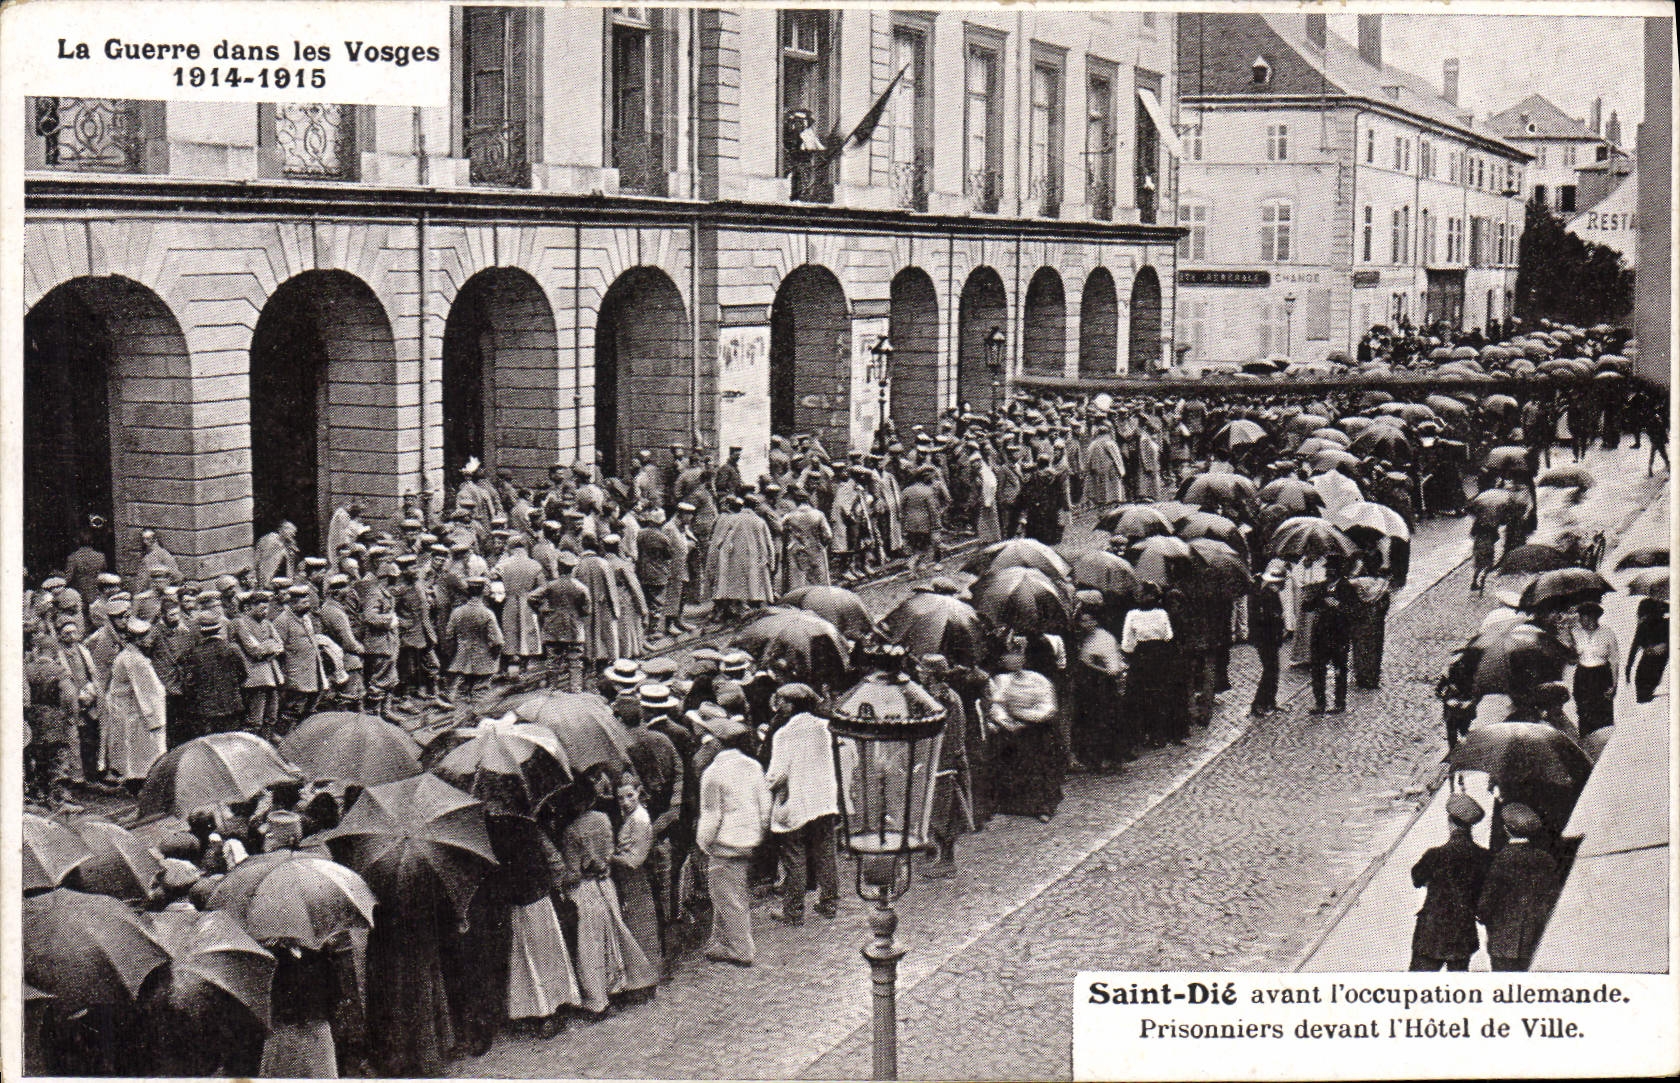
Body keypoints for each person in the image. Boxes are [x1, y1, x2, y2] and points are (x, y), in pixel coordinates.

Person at [556, 770, 658, 1013]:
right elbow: (610, 849)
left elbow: (573, 871)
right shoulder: (603, 819)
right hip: (606, 883)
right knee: (613, 935)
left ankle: (597, 1000)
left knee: (590, 944)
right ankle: (620, 985)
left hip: (586, 888)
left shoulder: (571, 831)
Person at [695, 713, 771, 965]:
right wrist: (759, 833)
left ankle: (740, 949)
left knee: (728, 897)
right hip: (750, 840)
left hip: (725, 843)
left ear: (717, 743)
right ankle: (719, 941)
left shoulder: (713, 773)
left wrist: (702, 843)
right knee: (729, 891)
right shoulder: (753, 766)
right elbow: (764, 806)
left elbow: (711, 815)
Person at [763, 683, 839, 925]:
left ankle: (793, 911)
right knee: (825, 852)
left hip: (797, 802)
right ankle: (829, 902)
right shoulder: (823, 728)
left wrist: (764, 788)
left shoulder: (784, 734)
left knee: (794, 855)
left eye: (783, 701)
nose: (780, 705)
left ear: (792, 704)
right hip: (824, 799)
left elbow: (777, 775)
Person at [1408, 792, 1491, 971]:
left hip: (1431, 933)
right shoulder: (1484, 857)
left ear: (1450, 822)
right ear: (1471, 827)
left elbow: (1417, 878)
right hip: (1463, 933)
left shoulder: (1435, 855)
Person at [1476, 803, 1563, 972]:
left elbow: (1488, 900)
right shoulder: (1545, 859)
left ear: (1506, 829)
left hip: (1503, 941)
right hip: (1535, 939)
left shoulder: (1502, 859)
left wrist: (1482, 914)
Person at [984, 649, 1063, 821]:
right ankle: (1009, 804)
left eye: (1017, 657)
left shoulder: (1038, 679)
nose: (1013, 661)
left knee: (1039, 759)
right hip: (1011, 728)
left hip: (1037, 728)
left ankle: (1043, 806)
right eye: (1008, 657)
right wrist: (1007, 723)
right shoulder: (1001, 680)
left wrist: (1027, 718)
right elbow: (997, 706)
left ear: (1024, 659)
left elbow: (1048, 706)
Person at [102, 617, 168, 792]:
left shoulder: (129, 656)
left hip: (130, 709)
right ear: (138, 639)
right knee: (143, 750)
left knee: (132, 750)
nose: (150, 640)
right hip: (136, 711)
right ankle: (140, 783)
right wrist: (156, 720)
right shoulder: (135, 660)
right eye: (146, 637)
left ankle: (136, 780)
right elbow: (148, 692)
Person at [611, 770, 665, 981]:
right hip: (628, 880)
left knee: (641, 924)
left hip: (637, 878)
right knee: (635, 924)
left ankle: (647, 977)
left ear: (638, 793)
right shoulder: (630, 816)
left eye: (629, 796)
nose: (625, 802)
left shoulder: (640, 820)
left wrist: (609, 856)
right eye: (620, 797)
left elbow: (634, 860)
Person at [1121, 583, 1178, 746]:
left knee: (1140, 695)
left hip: (1141, 656)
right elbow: (1168, 635)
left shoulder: (1132, 615)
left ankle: (1141, 734)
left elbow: (1127, 643)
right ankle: (1158, 734)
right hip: (1160, 655)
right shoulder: (1161, 613)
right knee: (1160, 693)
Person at [178, 609, 248, 738]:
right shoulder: (232, 649)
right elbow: (243, 675)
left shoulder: (194, 654)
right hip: (232, 705)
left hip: (205, 709)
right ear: (219, 629)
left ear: (201, 631)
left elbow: (189, 683)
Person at [1304, 555, 1357, 715]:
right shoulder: (1321, 587)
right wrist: (1310, 597)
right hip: (1320, 635)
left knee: (1340, 669)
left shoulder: (1347, 588)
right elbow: (1307, 607)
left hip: (1339, 635)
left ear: (1339, 571)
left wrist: (1339, 606)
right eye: (1327, 568)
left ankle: (1339, 703)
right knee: (1318, 670)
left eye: (1332, 569)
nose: (1328, 571)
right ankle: (1320, 703)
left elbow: (1354, 612)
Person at [445, 577, 503, 698]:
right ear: (483, 592)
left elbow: (449, 637)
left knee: (461, 695)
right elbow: (497, 641)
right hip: (483, 661)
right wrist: (495, 657)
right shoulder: (487, 613)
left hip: (461, 661)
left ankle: (460, 716)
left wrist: (453, 655)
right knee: (480, 695)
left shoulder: (457, 612)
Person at [1568, 601, 1617, 736]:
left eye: (1584, 617)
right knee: (1584, 713)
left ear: (1594, 617)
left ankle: (1604, 747)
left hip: (1602, 675)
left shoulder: (1607, 633)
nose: (1581, 621)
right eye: (1580, 617)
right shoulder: (1575, 633)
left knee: (1603, 713)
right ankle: (1586, 744)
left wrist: (1614, 684)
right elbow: (1571, 660)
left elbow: (1614, 660)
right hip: (1582, 676)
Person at [1249, 559, 1288, 717]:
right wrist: (1277, 618)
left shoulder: (1270, 594)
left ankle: (1270, 701)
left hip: (1271, 638)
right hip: (1265, 638)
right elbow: (1263, 618)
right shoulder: (1264, 595)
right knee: (1270, 670)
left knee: (1273, 669)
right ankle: (1259, 703)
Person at [1627, 597, 1669, 704]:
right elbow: (1635, 647)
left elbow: (1634, 647)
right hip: (1652, 667)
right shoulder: (1663, 623)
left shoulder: (1646, 625)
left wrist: (1628, 668)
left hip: (1651, 668)